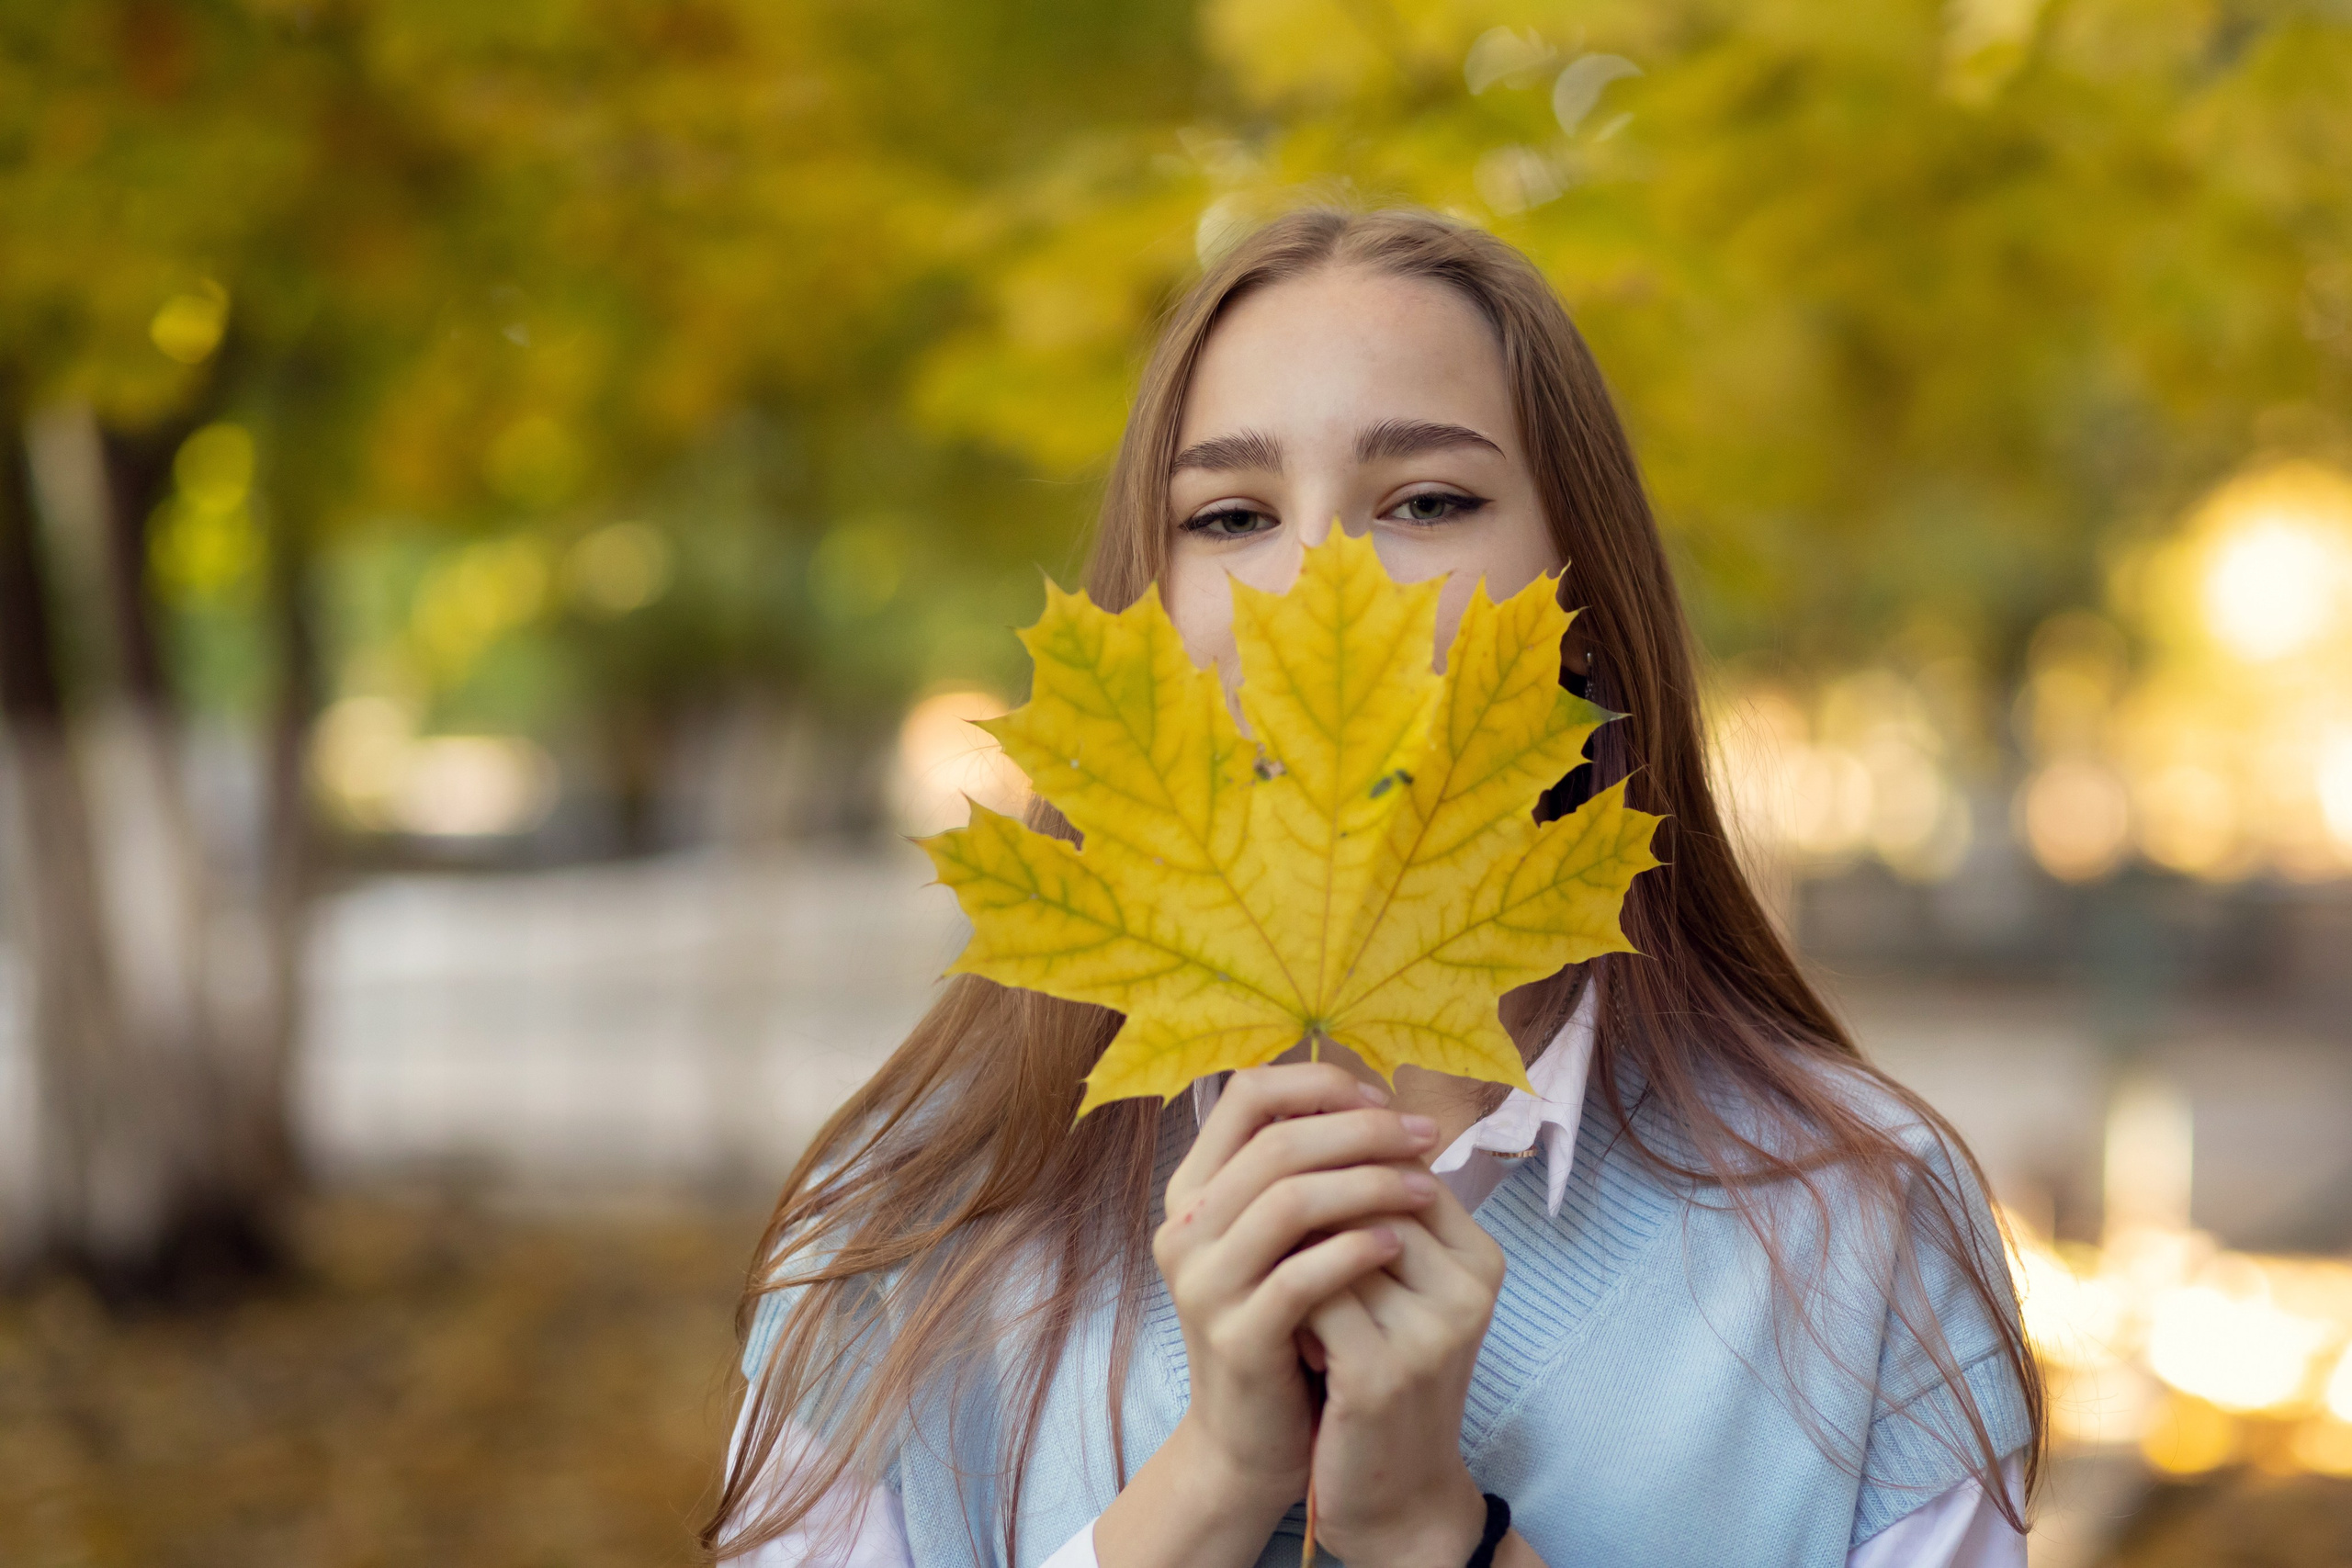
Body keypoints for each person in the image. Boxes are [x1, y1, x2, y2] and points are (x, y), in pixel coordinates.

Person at [705, 208, 2041, 1568]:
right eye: (1230, 517)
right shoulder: (915, 1229)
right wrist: (1208, 1489)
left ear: (1582, 597)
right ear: (1146, 613)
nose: (1315, 589)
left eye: (1427, 503)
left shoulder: (1860, 1226)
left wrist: (1432, 1537)